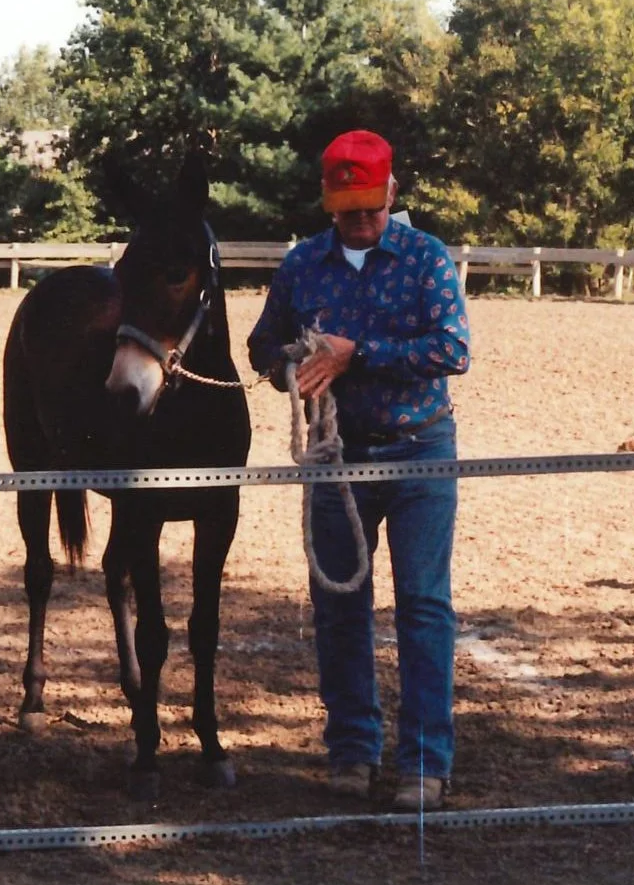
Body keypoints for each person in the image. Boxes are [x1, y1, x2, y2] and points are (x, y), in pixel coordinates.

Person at [247, 129, 470, 811]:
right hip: (336, 458)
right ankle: (352, 752)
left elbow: (453, 346)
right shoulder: (302, 265)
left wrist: (355, 353)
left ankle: (425, 763)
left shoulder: (426, 257)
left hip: (418, 450)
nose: (363, 221)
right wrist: (294, 365)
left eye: (372, 207)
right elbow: (260, 345)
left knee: (424, 606)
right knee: (339, 606)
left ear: (392, 193)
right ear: (328, 203)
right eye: (349, 210)